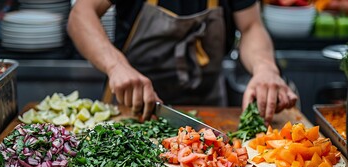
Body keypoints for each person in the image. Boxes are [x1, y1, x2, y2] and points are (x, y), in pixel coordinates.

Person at [67, 0, 298, 124]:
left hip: (210, 111)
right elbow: (81, 14)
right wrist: (116, 66)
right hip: (131, 107)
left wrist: (265, 67)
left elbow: (251, 27)